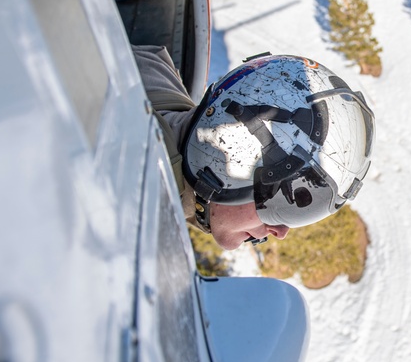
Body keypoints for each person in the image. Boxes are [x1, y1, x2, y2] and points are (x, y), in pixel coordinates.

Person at [134, 45, 375, 250]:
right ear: (226, 161)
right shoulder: (132, 186)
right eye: (278, 202)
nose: (281, 231)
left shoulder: (145, 81)